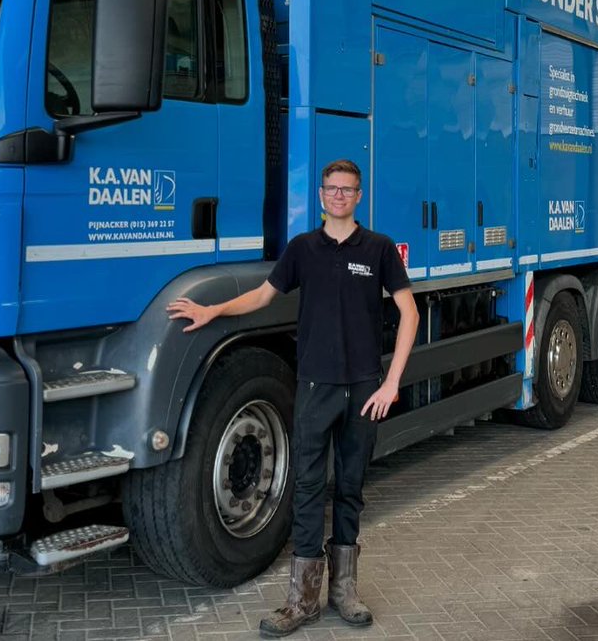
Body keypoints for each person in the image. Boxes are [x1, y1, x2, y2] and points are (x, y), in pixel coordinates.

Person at [168, 159, 420, 637]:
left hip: (364, 389)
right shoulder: (303, 249)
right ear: (322, 195)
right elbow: (263, 296)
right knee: (306, 490)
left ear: (359, 196)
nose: (339, 196)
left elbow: (409, 313)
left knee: (349, 488)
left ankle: (344, 591)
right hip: (314, 387)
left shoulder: (380, 249)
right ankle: (300, 599)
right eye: (332, 189)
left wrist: (391, 383)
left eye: (348, 189)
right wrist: (213, 309)